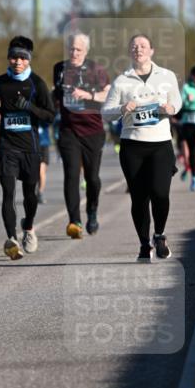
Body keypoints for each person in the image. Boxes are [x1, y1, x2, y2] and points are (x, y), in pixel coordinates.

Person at [102, 34, 182, 261]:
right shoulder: (121, 81)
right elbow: (105, 113)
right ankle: (144, 244)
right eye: (134, 46)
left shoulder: (166, 76)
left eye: (143, 46)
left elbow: (177, 102)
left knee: (160, 193)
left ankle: (159, 234)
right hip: (132, 146)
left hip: (160, 145)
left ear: (152, 51)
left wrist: (170, 107)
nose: (139, 49)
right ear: (130, 52)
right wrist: (122, 108)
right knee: (139, 198)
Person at [0, 35, 55, 260]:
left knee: (29, 195)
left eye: (22, 58)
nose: (17, 62)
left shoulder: (37, 83)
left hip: (30, 148)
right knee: (8, 192)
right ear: (8, 58)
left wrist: (30, 108)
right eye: (13, 57)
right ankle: (11, 239)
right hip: (6, 147)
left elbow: (50, 116)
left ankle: (29, 227)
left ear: (28, 60)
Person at [52, 33, 110, 238]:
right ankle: (74, 221)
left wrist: (89, 95)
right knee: (71, 175)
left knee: (92, 178)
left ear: (86, 51)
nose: (74, 52)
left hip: (93, 132)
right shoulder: (59, 69)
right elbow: (57, 96)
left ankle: (92, 211)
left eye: (78, 49)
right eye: (71, 49)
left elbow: (108, 94)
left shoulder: (97, 69)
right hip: (68, 131)